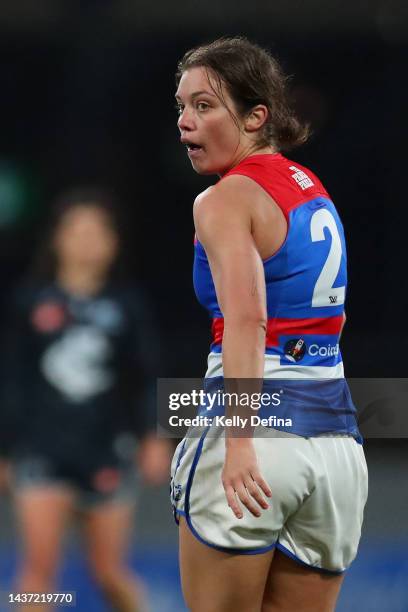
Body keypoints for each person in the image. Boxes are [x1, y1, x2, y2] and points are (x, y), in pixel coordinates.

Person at [170, 37, 368, 612]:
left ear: (259, 116)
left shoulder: (224, 199)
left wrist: (238, 441)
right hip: (337, 444)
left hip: (258, 431)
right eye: (181, 106)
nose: (185, 122)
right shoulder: (312, 189)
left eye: (205, 105)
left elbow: (249, 317)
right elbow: (336, 316)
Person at [2, 191, 170, 612]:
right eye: (77, 231)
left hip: (107, 450)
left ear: (113, 243)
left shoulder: (127, 306)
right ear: (57, 239)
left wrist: (153, 435)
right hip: (42, 450)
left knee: (108, 572)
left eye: (97, 232)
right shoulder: (29, 302)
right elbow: (12, 380)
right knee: (39, 572)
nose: (87, 242)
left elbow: (144, 378)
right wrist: (4, 449)